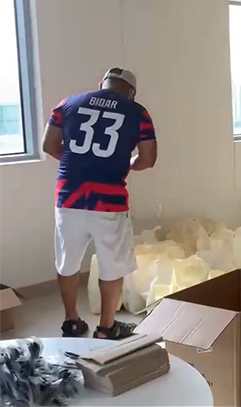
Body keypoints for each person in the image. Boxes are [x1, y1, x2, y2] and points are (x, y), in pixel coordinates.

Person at [42, 68, 157, 340]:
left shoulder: (68, 103)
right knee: (111, 265)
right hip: (109, 201)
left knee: (67, 262)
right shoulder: (136, 112)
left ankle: (71, 321)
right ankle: (106, 328)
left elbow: (48, 145)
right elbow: (148, 159)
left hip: (68, 196)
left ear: (101, 84)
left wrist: (80, 165)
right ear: (131, 91)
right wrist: (124, 164)